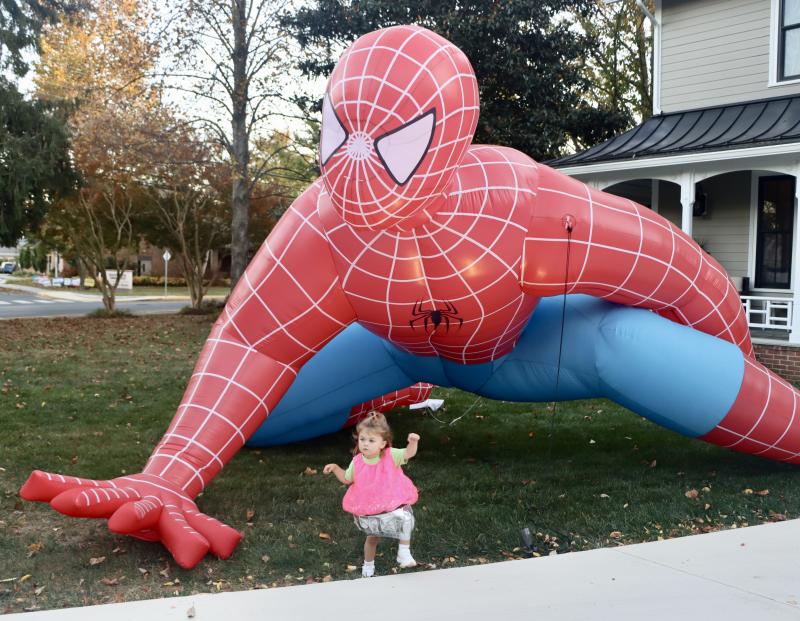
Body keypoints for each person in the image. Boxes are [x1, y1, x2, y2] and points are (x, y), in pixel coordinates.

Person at [323, 412, 420, 578]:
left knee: (405, 520)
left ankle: (403, 552)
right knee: (372, 538)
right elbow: (347, 479)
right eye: (362, 439)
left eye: (371, 440)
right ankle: (368, 564)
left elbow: (408, 454)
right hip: (372, 508)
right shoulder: (358, 461)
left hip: (391, 503)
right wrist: (335, 468)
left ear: (383, 443)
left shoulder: (391, 455)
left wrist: (413, 442)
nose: (365, 444)